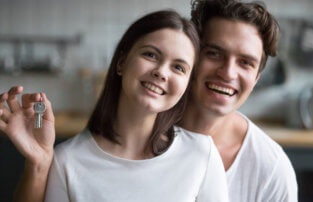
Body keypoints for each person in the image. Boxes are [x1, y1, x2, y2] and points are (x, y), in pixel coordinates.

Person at [0, 10, 229, 202]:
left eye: (179, 67)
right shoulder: (67, 161)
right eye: (150, 54)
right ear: (121, 62)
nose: (161, 72)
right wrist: (38, 163)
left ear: (187, 84)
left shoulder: (202, 154)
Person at [179, 0, 298, 201]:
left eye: (245, 62)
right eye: (214, 53)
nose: (227, 73)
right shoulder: (140, 134)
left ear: (256, 78)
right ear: (190, 55)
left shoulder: (271, 170)